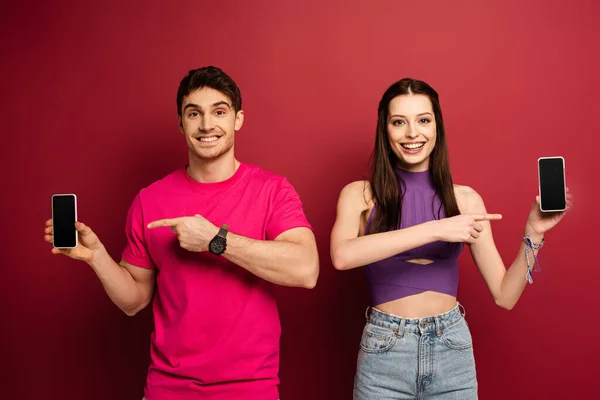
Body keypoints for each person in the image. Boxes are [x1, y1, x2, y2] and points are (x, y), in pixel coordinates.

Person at [44, 66, 319, 400]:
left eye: (219, 111)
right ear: (180, 123)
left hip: (250, 389)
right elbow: (134, 301)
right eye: (194, 113)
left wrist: (215, 240)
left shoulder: (272, 190)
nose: (206, 125)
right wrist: (97, 257)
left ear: (238, 119)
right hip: (168, 389)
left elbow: (306, 270)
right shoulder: (150, 200)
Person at [329, 78, 572, 399]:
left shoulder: (466, 200)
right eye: (399, 122)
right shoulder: (360, 194)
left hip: (451, 346)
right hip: (385, 348)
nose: (412, 133)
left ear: (437, 129)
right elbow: (342, 256)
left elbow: (505, 295)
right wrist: (438, 228)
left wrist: (533, 234)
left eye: (423, 121)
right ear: (385, 131)